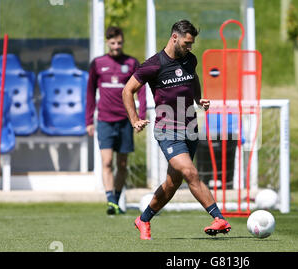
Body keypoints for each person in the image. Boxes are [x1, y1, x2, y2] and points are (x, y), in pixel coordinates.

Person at [122, 20, 231, 240]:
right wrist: (134, 119)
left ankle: (143, 219)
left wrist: (198, 98)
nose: (190, 47)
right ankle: (218, 218)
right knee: (191, 172)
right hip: (167, 129)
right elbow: (127, 90)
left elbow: (193, 78)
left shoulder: (190, 60)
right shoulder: (154, 64)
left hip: (190, 127)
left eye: (192, 43)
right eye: (187, 43)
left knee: (172, 184)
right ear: (174, 38)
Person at [86, 26, 147, 215]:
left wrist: (139, 115)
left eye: (119, 42)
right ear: (107, 42)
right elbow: (89, 92)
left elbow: (142, 89)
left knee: (122, 164)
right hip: (104, 120)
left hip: (124, 121)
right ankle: (111, 201)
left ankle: (117, 198)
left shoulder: (131, 63)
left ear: (123, 42)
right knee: (106, 162)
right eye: (112, 43)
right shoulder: (97, 63)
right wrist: (89, 120)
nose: (116, 46)